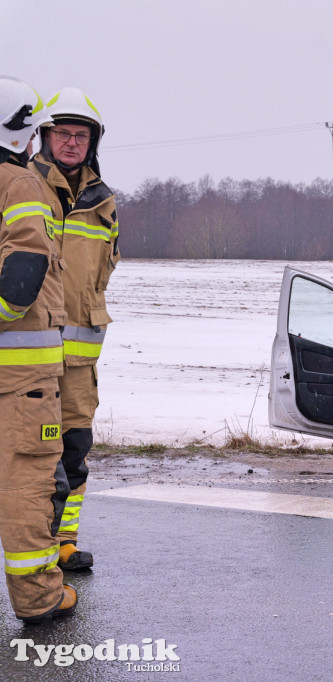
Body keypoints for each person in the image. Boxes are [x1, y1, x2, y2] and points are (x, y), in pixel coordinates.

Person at [30, 86, 119, 573]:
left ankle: (64, 542)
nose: (70, 142)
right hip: (24, 354)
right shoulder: (21, 185)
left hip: (79, 362)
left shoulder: (103, 202)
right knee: (30, 453)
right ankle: (31, 543)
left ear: (92, 142)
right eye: (61, 132)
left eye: (79, 134)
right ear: (44, 136)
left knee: (74, 453)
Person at [0, 75, 77, 623]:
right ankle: (39, 598)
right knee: (29, 480)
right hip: (20, 378)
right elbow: (22, 279)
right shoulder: (20, 184)